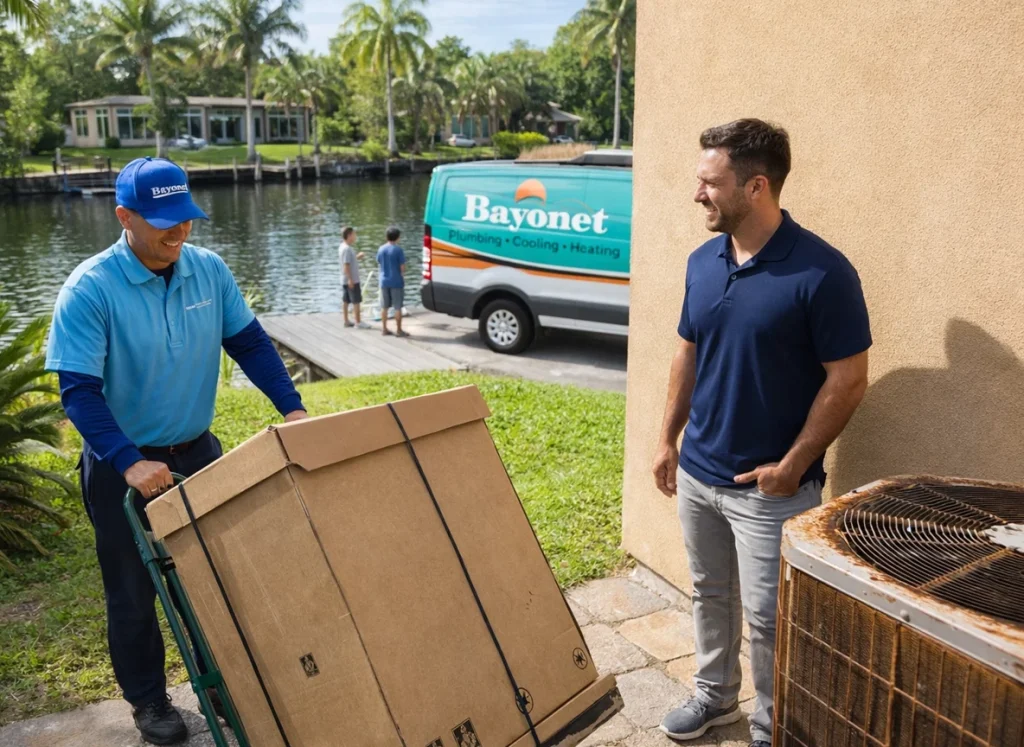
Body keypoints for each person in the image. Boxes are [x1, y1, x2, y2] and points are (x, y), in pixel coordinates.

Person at [45, 157, 308, 746]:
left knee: (216, 579)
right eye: (162, 221)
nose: (178, 231)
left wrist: (293, 410)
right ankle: (148, 702)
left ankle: (224, 679)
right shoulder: (90, 289)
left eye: (184, 218)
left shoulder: (208, 271)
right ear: (124, 216)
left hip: (197, 452)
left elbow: (249, 343)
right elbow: (78, 392)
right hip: (122, 466)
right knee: (132, 591)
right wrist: (128, 459)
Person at [652, 120, 871, 746]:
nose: (697, 194)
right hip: (699, 472)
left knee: (772, 618)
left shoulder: (822, 272)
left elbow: (848, 379)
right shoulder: (703, 260)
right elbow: (685, 354)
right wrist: (669, 440)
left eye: (709, 183)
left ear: (756, 186)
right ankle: (716, 698)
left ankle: (773, 725)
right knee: (708, 593)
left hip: (770, 491)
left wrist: (795, 463)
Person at [377, 226, 408, 337]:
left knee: (384, 307)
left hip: (384, 281)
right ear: (398, 238)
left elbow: (379, 262)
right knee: (397, 307)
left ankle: (384, 329)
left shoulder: (381, 249)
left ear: (387, 236)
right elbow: (402, 268)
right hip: (396, 282)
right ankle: (399, 330)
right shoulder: (398, 250)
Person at [339, 225, 369, 328]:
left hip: (344, 279)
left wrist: (357, 257)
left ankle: (346, 320)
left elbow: (347, 262)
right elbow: (346, 265)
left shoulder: (342, 247)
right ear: (349, 235)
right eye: (354, 234)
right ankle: (358, 322)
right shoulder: (347, 249)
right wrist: (351, 280)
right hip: (351, 279)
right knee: (356, 301)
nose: (355, 236)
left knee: (346, 300)